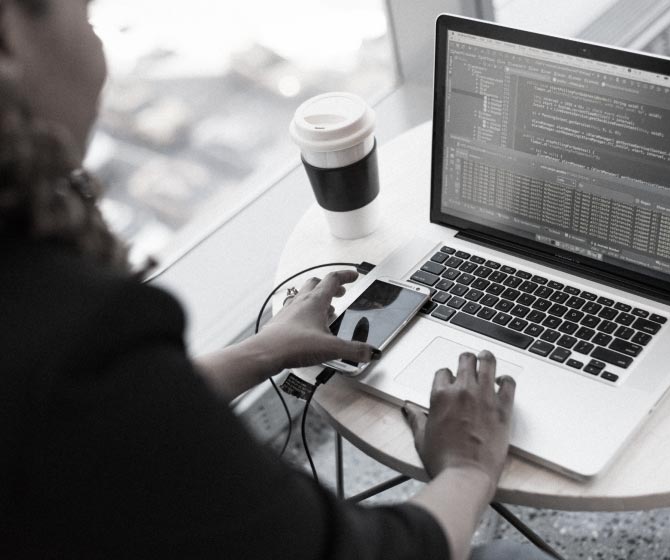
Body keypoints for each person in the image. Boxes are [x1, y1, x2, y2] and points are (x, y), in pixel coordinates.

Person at [0, 1, 551, 558]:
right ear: (9, 45)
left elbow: (112, 419)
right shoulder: (81, 333)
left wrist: (264, 350)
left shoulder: (55, 335)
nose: (97, 38)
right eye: (86, 13)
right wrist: (466, 469)